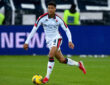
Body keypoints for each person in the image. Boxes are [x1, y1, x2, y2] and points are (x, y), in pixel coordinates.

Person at [23, 1, 86, 84]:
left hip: (57, 38)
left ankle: (46, 78)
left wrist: (70, 41)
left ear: (55, 9)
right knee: (62, 60)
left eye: (52, 8)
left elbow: (67, 30)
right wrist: (27, 42)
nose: (50, 10)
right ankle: (79, 64)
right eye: (48, 8)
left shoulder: (59, 19)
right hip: (49, 41)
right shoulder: (41, 18)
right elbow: (33, 30)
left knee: (51, 54)